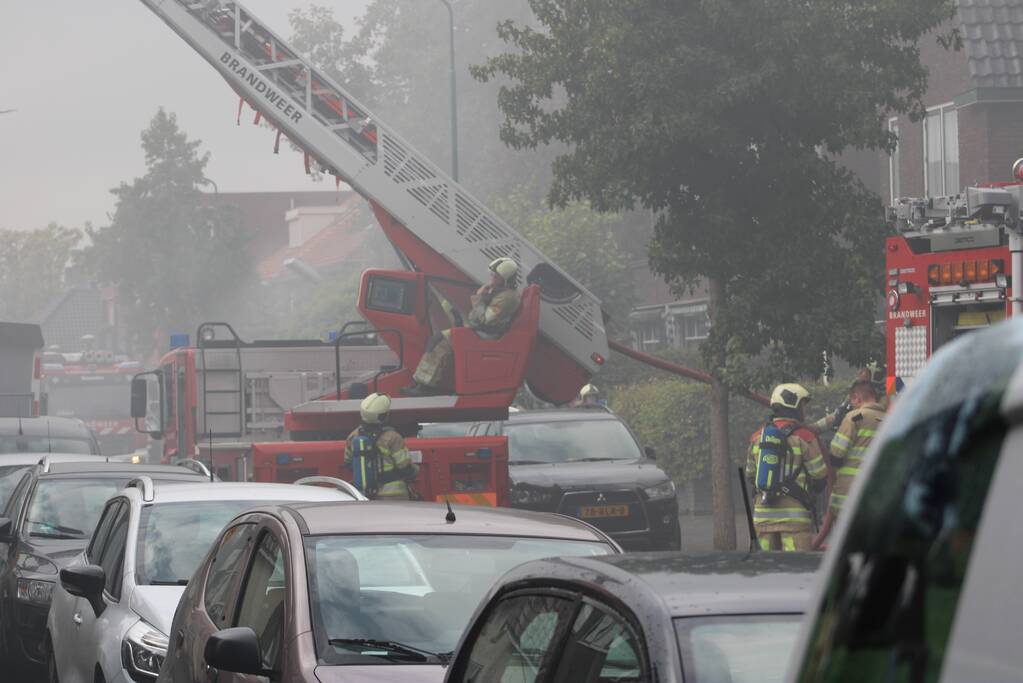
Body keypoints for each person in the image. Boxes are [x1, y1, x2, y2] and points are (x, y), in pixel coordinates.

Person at [402, 257, 521, 396]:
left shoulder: (507, 297)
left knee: (439, 341)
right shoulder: (501, 293)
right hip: (480, 330)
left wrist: (479, 297)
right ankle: (421, 383)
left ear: (505, 279)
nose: (491, 279)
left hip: (486, 335)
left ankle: (424, 386)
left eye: (495, 277)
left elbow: (484, 319)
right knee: (437, 340)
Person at [745, 383, 828, 551]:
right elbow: (819, 474)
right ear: (793, 405)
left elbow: (751, 475)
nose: (806, 410)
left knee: (764, 566)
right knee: (795, 566)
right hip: (794, 519)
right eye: (803, 405)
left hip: (763, 518)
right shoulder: (804, 436)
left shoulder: (757, 437)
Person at [826, 379, 885, 518]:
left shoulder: (855, 417)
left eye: (851, 401)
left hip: (850, 494)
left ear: (857, 397)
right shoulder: (890, 418)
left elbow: (836, 453)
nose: (851, 405)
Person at [344, 393, 417, 500]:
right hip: (394, 495)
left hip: (366, 495)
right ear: (383, 416)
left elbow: (348, 462)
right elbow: (405, 467)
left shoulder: (353, 436)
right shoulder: (393, 437)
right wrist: (416, 471)